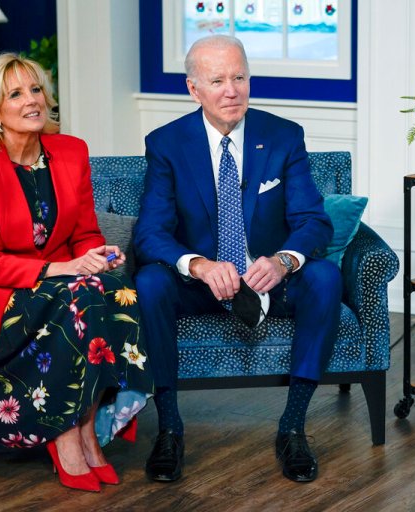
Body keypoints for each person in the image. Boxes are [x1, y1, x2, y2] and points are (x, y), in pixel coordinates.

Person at [0, 53, 154, 492]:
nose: (32, 101)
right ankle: (68, 436)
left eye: (36, 89)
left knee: (113, 286)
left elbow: (85, 233)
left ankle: (86, 424)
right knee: (77, 295)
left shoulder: (71, 151)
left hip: (64, 281)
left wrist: (96, 256)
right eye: (16, 94)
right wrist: (64, 268)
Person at [134, 35, 341, 483]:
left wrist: (284, 260)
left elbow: (314, 222)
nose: (232, 90)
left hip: (268, 280)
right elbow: (149, 233)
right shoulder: (167, 144)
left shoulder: (283, 136)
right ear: (194, 89)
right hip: (202, 285)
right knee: (150, 283)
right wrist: (200, 266)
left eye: (240, 77)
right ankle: (169, 427)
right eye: (218, 80)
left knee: (324, 277)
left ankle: (292, 427)